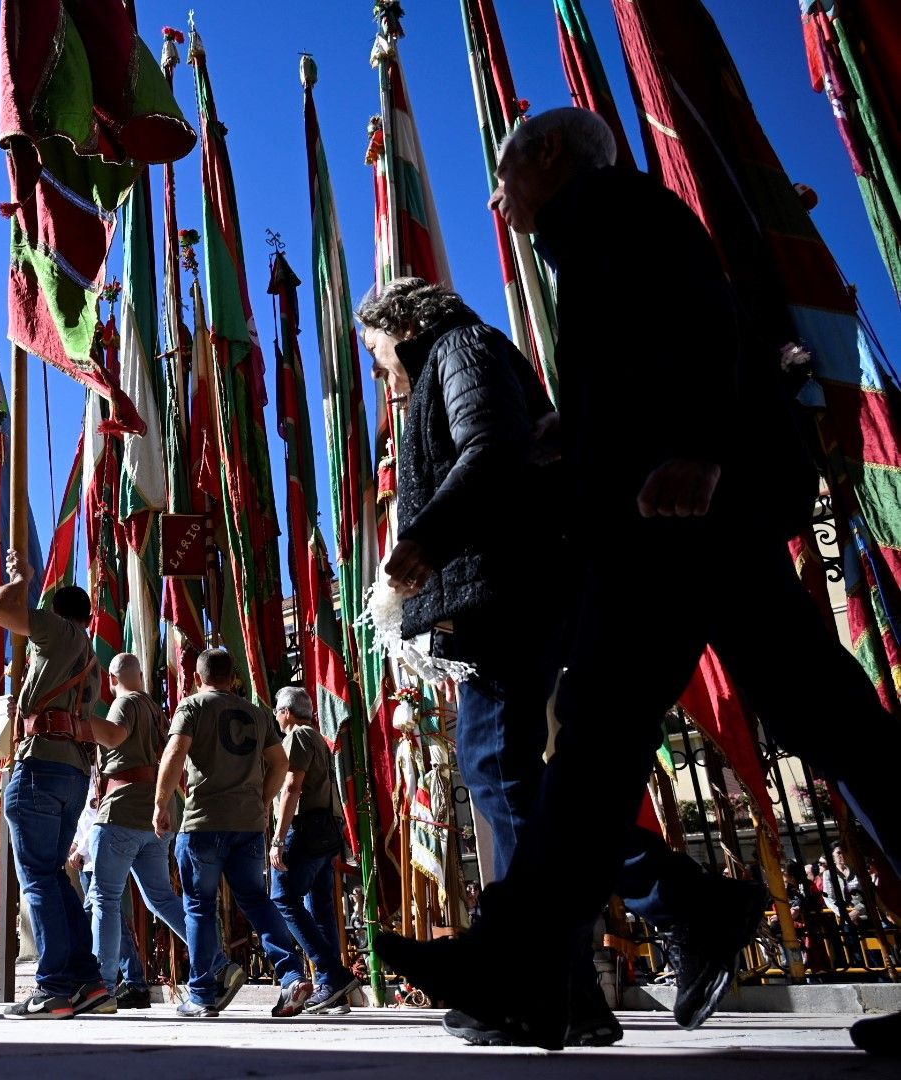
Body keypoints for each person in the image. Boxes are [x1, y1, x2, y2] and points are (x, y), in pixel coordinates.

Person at [375, 107, 901, 1056]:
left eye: (505, 178)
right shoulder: (593, 236)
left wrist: (699, 446)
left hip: (684, 518)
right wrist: (577, 432)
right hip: (658, 527)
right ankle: (532, 961)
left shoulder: (619, 210)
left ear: (547, 155)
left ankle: (531, 959)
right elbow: (648, 360)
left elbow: (706, 319)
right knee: (616, 747)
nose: (498, 200)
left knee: (744, 731)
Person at [359, 273, 759, 1047]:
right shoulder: (456, 357)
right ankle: (565, 986)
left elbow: (490, 447)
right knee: (510, 776)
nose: (383, 373)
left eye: (377, 353)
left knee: (502, 773)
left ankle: (621, 938)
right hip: (509, 587)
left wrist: (424, 541)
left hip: (509, 588)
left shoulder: (461, 347)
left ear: (403, 323)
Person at [0, 551, 109, 1019]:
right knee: (53, 875)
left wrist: (21, 577)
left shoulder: (58, 633)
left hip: (40, 767)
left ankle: (53, 987)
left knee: (36, 876)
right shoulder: (90, 659)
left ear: (56, 614)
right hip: (73, 771)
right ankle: (88, 981)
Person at [154, 648, 310, 1018]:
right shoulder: (258, 713)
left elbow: (175, 751)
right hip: (249, 825)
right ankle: (291, 975)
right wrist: (261, 798)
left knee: (199, 906)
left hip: (205, 822)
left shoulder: (192, 707)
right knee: (257, 900)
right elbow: (281, 763)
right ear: (234, 678)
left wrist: (161, 804)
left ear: (197, 677)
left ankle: (203, 995)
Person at [83, 652, 190, 1011]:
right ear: (140, 675)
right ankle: (214, 958)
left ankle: (102, 984)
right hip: (155, 814)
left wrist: (78, 719)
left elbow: (114, 736)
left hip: (122, 811)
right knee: (161, 897)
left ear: (112, 679)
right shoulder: (155, 708)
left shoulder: (124, 703)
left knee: (105, 899)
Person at [268, 686, 358, 1015]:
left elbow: (293, 786)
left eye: (278, 710)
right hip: (325, 830)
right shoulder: (318, 737)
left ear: (287, 713)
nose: (276, 716)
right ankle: (333, 991)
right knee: (320, 907)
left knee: (283, 897)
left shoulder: (297, 737)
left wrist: (278, 838)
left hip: (304, 829)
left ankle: (333, 974)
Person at [66, 781, 145, 1003]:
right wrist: (74, 844)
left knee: (94, 914)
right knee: (112, 919)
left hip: (97, 856)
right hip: (86, 859)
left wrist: (80, 848)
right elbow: (83, 817)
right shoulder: (85, 775)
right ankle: (133, 982)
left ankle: (101, 983)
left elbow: (101, 816)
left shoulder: (102, 776)